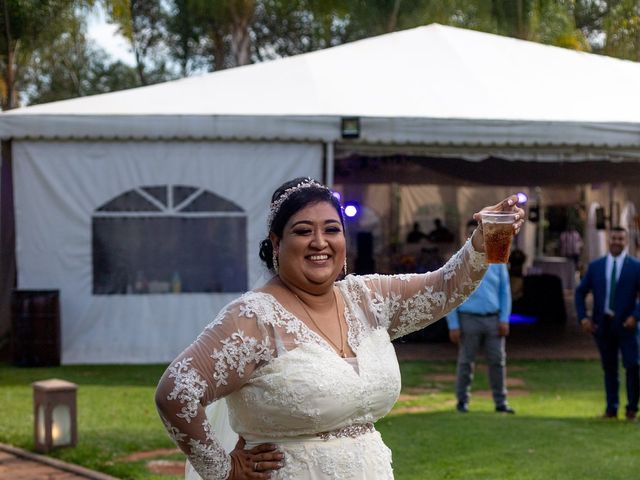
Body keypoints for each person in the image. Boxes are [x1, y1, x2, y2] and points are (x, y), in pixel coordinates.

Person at [155, 177, 524, 480]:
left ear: (344, 243)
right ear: (276, 244)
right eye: (303, 231)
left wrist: (483, 239)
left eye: (332, 229)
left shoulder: (367, 298)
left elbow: (445, 287)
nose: (320, 242)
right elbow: (176, 393)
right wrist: (222, 471)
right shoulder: (254, 318)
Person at [446, 220, 514, 414]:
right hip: (468, 318)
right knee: (466, 361)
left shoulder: (497, 259)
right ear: (467, 237)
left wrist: (504, 318)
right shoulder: (458, 260)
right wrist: (453, 324)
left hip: (493, 319)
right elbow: (450, 293)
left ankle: (501, 402)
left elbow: (504, 291)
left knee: (498, 361)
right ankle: (462, 401)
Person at [575, 226, 640, 420]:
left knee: (633, 366)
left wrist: (635, 316)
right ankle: (611, 408)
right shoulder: (596, 266)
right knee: (609, 367)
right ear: (608, 240)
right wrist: (583, 317)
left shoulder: (635, 267)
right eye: (614, 238)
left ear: (626, 241)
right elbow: (580, 292)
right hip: (603, 325)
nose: (617, 242)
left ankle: (631, 408)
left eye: (621, 239)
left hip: (628, 326)